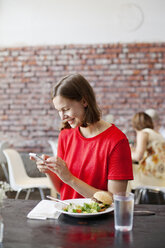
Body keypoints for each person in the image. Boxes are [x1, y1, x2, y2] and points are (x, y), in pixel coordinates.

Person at [31, 74, 133, 200]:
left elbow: (115, 199)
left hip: (101, 218)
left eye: (66, 109)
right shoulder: (65, 134)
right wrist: (50, 171)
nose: (62, 117)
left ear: (84, 101)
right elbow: (64, 189)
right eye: (59, 111)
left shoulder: (117, 141)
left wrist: (70, 178)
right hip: (68, 214)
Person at [130, 112, 165, 180]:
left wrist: (128, 151)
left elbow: (138, 157)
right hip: (162, 176)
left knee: (125, 174)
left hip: (150, 175)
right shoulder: (158, 134)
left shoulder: (143, 133)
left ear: (135, 125)